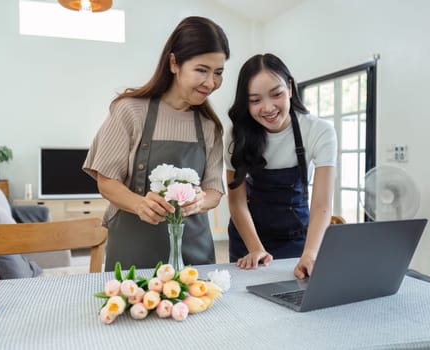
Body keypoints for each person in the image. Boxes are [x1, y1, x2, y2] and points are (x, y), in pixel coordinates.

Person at [83, 16, 230, 271]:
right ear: (174, 63)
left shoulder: (209, 126)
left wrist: (200, 201)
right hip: (133, 252)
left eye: (218, 73)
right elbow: (106, 181)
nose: (211, 82)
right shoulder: (129, 111)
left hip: (193, 252)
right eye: (201, 70)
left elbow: (214, 191)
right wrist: (139, 204)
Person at [225, 53, 337, 279]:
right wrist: (255, 248)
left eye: (276, 94)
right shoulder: (237, 136)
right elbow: (237, 202)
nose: (268, 108)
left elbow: (322, 205)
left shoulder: (318, 131)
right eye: (255, 100)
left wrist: (311, 253)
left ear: (290, 87)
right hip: (248, 237)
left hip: (296, 238)